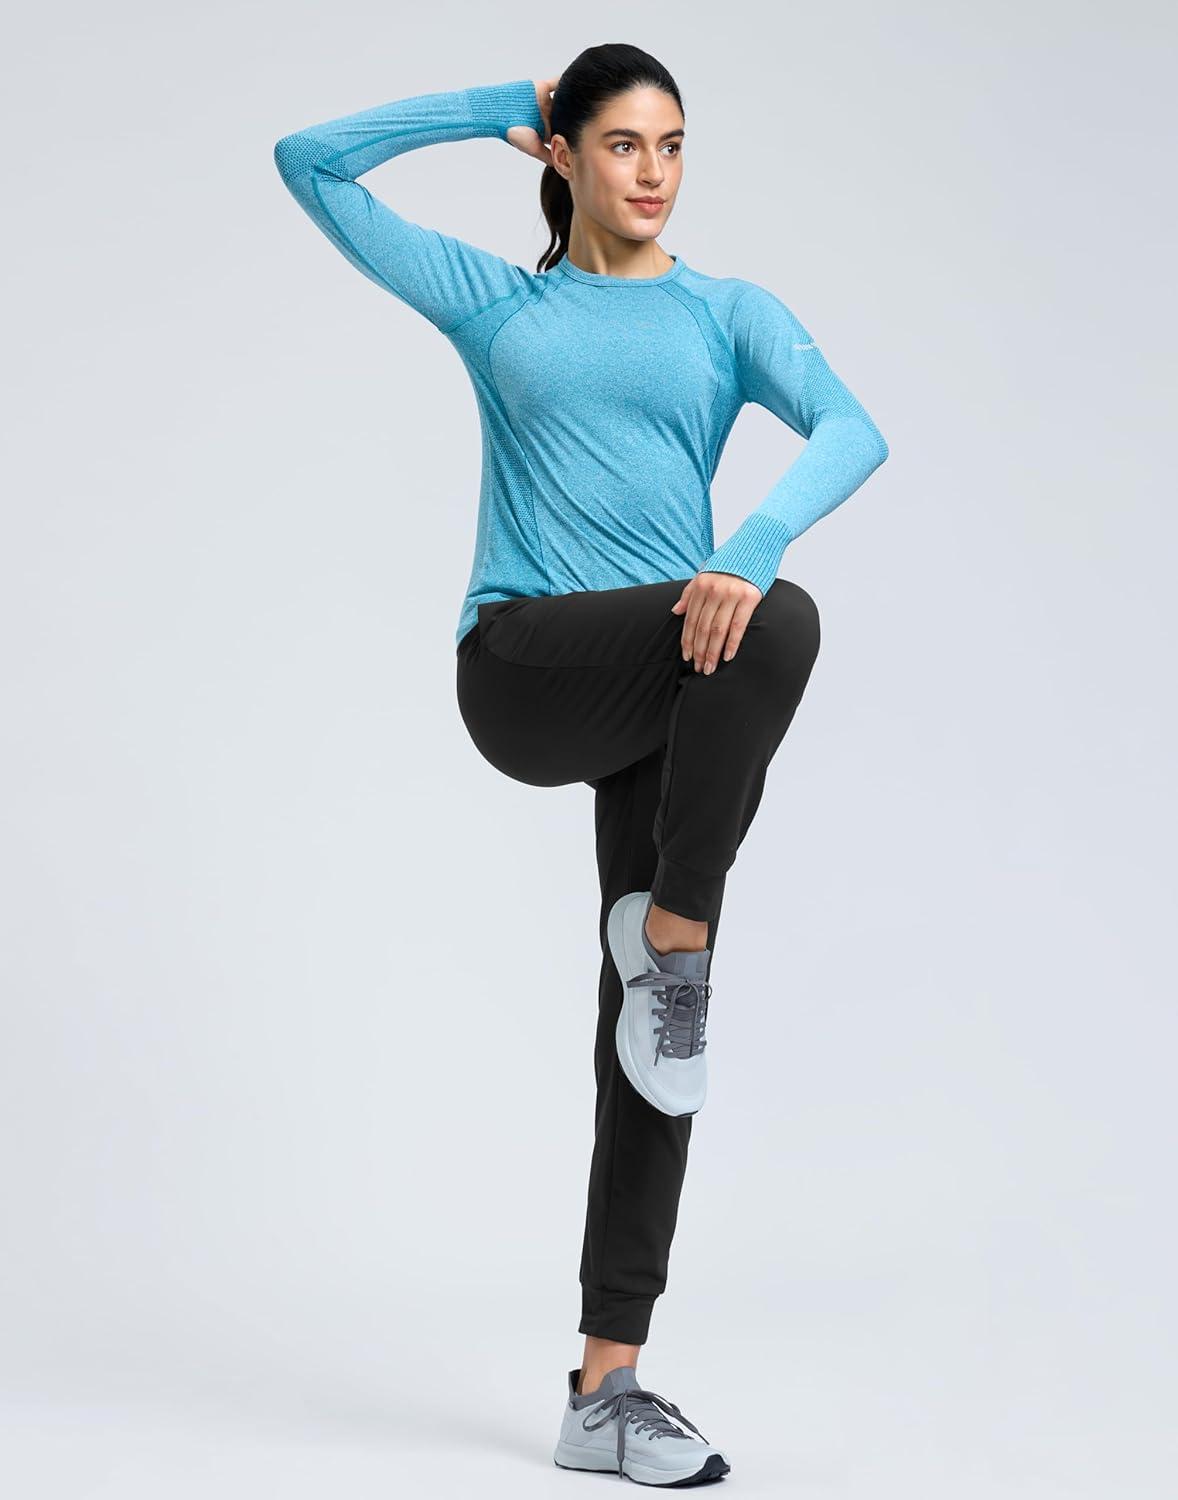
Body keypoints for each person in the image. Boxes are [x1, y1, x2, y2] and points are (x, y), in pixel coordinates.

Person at [274, 41, 888, 1487]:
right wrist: (495, 107)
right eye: (621, 143)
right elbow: (309, 163)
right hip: (527, 667)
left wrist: (746, 542)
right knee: (775, 628)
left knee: (656, 1048)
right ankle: (675, 938)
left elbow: (854, 431)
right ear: (564, 155)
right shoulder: (499, 302)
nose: (653, 171)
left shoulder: (727, 313)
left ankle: (606, 1389)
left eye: (671, 144)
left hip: (672, 689)